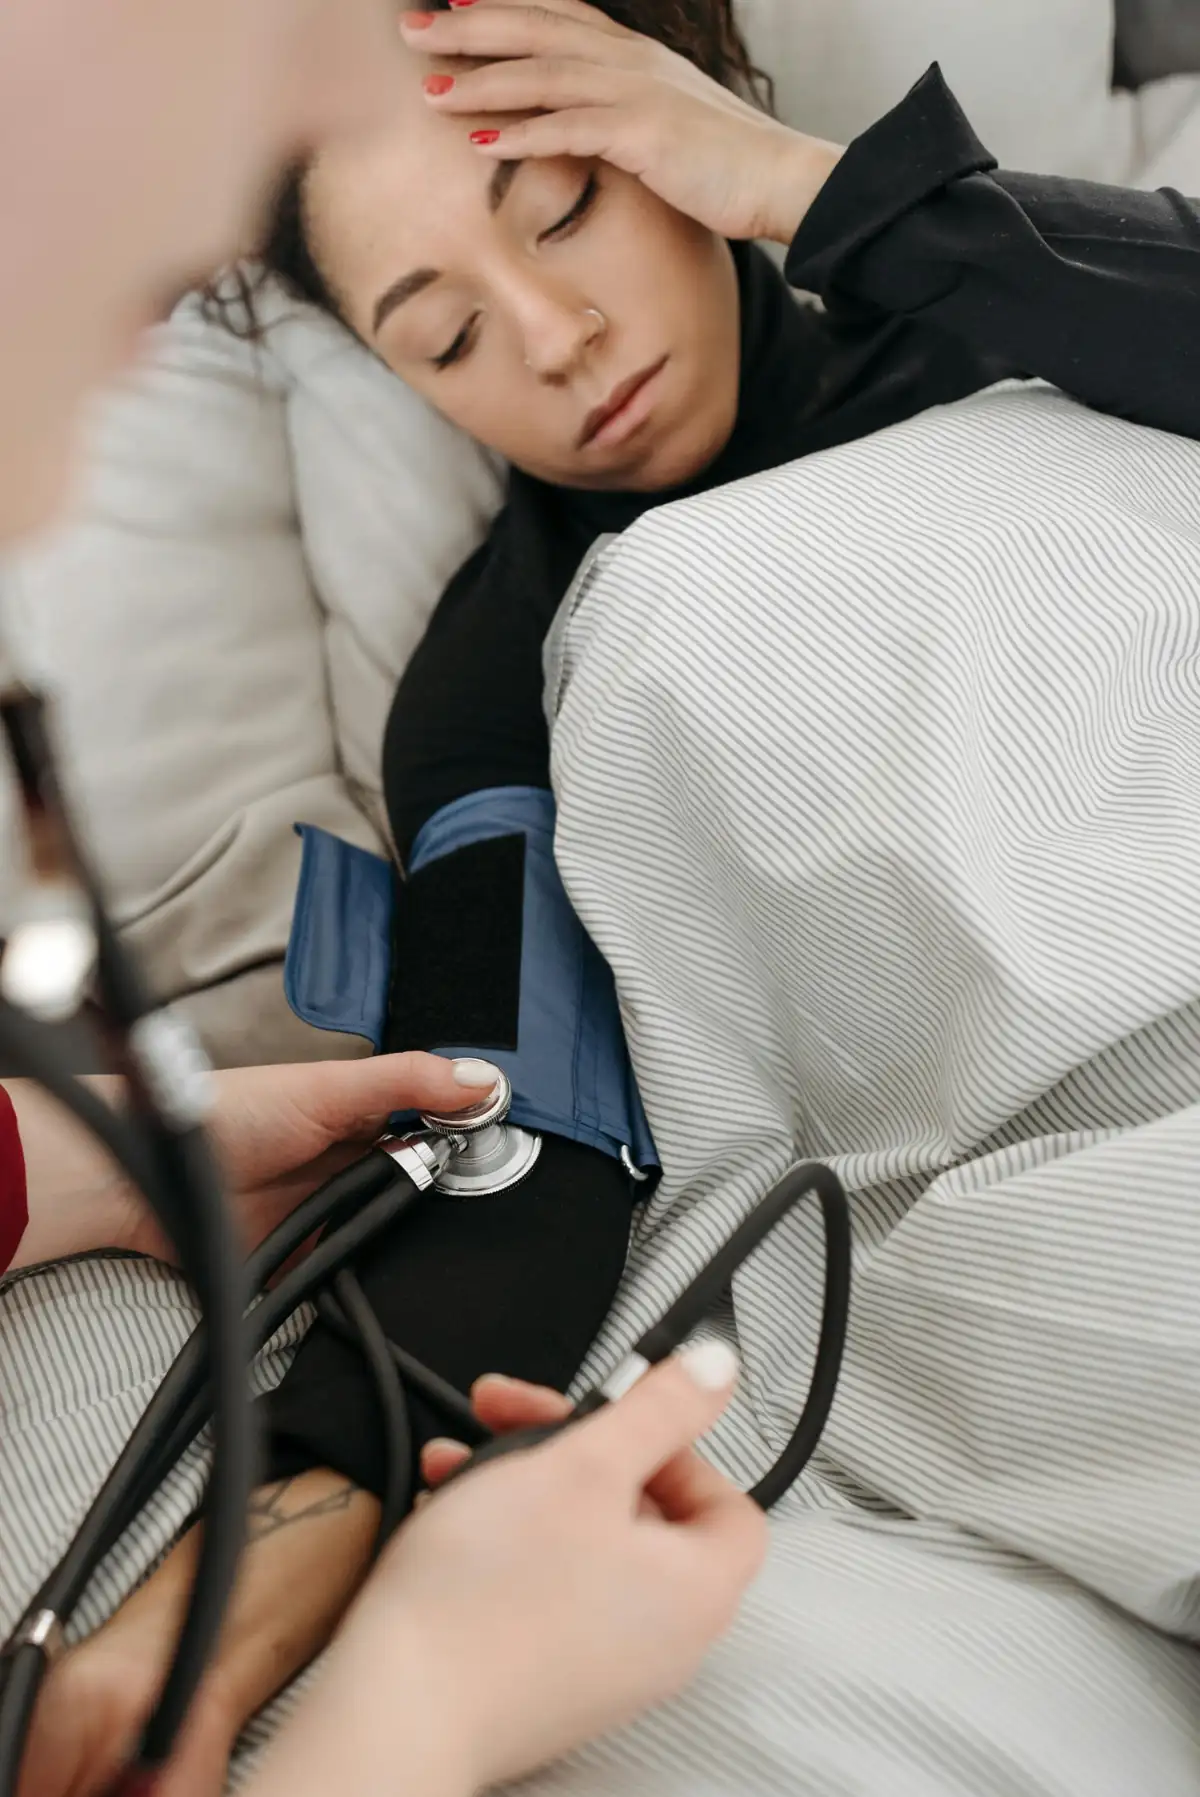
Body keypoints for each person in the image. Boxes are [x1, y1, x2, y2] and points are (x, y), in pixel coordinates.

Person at [0, 5, 768, 1797]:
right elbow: (513, 1132)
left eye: (567, 204)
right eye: (442, 336)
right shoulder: (495, 686)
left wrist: (830, 196)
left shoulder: (1012, 292)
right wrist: (187, 1655)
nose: (560, 342)